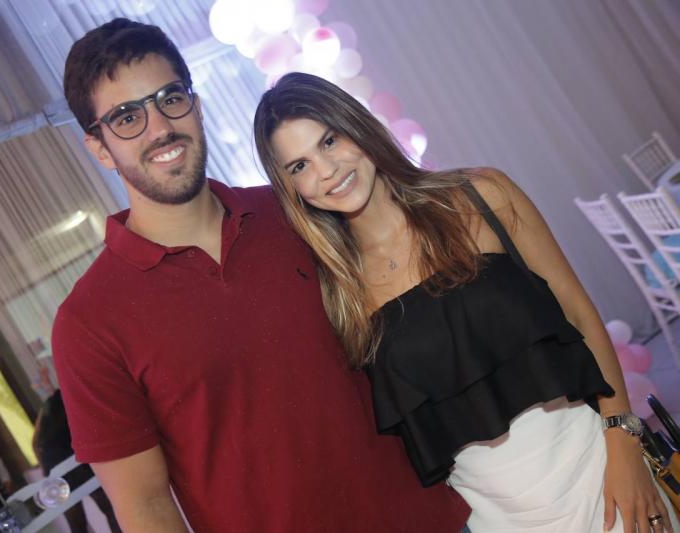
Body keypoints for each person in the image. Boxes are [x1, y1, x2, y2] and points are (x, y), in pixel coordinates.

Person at [52, 18, 469, 532]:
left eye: (170, 98)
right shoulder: (87, 323)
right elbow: (146, 508)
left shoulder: (296, 209)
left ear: (196, 105)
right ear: (99, 148)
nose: (159, 128)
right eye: (126, 117)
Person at [253, 71, 678, 533]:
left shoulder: (481, 196)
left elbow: (578, 311)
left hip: (601, 475)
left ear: (356, 125)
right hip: (495, 518)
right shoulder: (339, 294)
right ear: (290, 189)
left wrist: (624, 445)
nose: (326, 171)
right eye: (299, 166)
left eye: (329, 140)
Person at [32, 382, 121, 532]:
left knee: (77, 523)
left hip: (58, 470)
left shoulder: (48, 408)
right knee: (110, 509)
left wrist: (47, 472)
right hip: (77, 463)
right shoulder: (73, 397)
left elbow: (35, 443)